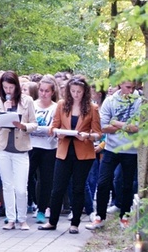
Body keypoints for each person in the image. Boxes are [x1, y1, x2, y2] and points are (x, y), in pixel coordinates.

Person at [38, 75, 102, 234]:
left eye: (79, 92)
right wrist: (57, 133)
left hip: (83, 152)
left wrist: (87, 136)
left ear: (84, 92)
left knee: (78, 188)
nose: (76, 94)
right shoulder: (61, 105)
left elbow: (98, 134)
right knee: (57, 188)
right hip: (64, 150)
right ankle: (52, 221)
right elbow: (53, 127)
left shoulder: (92, 108)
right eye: (73, 91)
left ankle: (75, 224)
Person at [86, 80, 141, 230]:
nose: (130, 90)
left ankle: (125, 216)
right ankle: (100, 217)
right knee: (103, 182)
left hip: (130, 150)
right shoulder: (110, 101)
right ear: (120, 85)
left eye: (133, 87)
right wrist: (125, 127)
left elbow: (137, 127)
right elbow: (103, 126)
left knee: (127, 185)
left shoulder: (139, 101)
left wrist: (115, 122)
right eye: (127, 87)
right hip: (111, 149)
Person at [0, 71, 38, 231]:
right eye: (5, 88)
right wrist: (4, 112)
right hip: (2, 148)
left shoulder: (27, 101)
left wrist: (24, 126)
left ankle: (23, 219)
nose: (8, 91)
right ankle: (10, 218)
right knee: (7, 185)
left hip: (21, 149)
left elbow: (34, 124)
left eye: (11, 87)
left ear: (16, 86)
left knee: (21, 188)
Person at [28, 75, 59, 224]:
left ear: (52, 92)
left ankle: (42, 209)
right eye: (41, 90)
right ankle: (27, 205)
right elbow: (26, 124)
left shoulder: (56, 107)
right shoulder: (32, 105)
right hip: (31, 146)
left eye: (47, 91)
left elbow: (54, 128)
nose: (43, 93)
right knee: (26, 177)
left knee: (46, 180)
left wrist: (40, 129)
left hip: (49, 147)